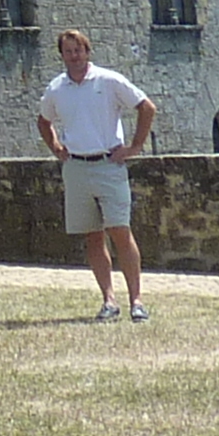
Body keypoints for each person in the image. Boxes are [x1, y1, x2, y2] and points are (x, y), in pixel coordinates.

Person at [36, 27, 156, 321]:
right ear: (62, 55)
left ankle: (137, 301)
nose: (73, 56)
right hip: (76, 167)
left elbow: (146, 107)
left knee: (120, 232)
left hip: (108, 165)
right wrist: (55, 146)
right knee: (92, 237)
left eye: (78, 50)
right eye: (68, 51)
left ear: (87, 51)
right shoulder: (56, 89)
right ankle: (109, 301)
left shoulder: (109, 80)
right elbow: (43, 120)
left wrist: (135, 146)